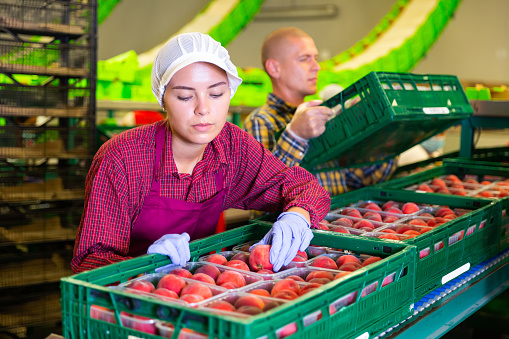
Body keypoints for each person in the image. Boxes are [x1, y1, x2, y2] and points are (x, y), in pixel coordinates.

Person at [71, 32, 330, 274]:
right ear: (162, 99)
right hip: (129, 305)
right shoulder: (122, 158)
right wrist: (143, 267)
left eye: (216, 94)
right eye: (185, 97)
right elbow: (89, 260)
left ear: (230, 93)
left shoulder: (231, 147)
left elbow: (302, 185)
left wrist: (297, 216)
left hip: (199, 293)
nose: (203, 109)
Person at [244, 27, 397, 197]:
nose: (316, 67)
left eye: (315, 58)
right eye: (304, 59)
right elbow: (264, 195)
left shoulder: (322, 117)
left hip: (335, 220)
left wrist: (385, 135)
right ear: (274, 68)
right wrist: (295, 135)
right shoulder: (260, 121)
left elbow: (358, 179)